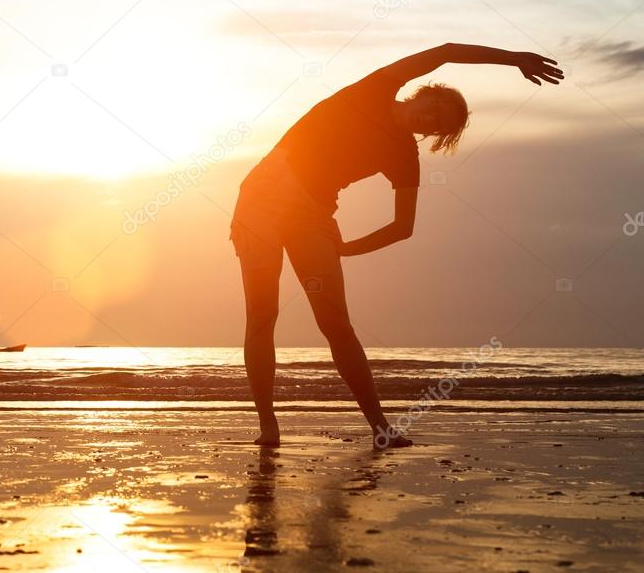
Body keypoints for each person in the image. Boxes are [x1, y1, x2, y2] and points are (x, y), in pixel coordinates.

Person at [230, 43, 563, 449]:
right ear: (425, 93)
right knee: (262, 315)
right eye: (435, 109)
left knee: (336, 324)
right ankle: (268, 426)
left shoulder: (404, 155)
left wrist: (347, 248)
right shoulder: (373, 90)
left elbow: (403, 226)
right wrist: (514, 59)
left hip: (311, 217)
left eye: (438, 127)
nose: (430, 121)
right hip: (261, 202)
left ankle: (379, 426)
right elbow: (447, 50)